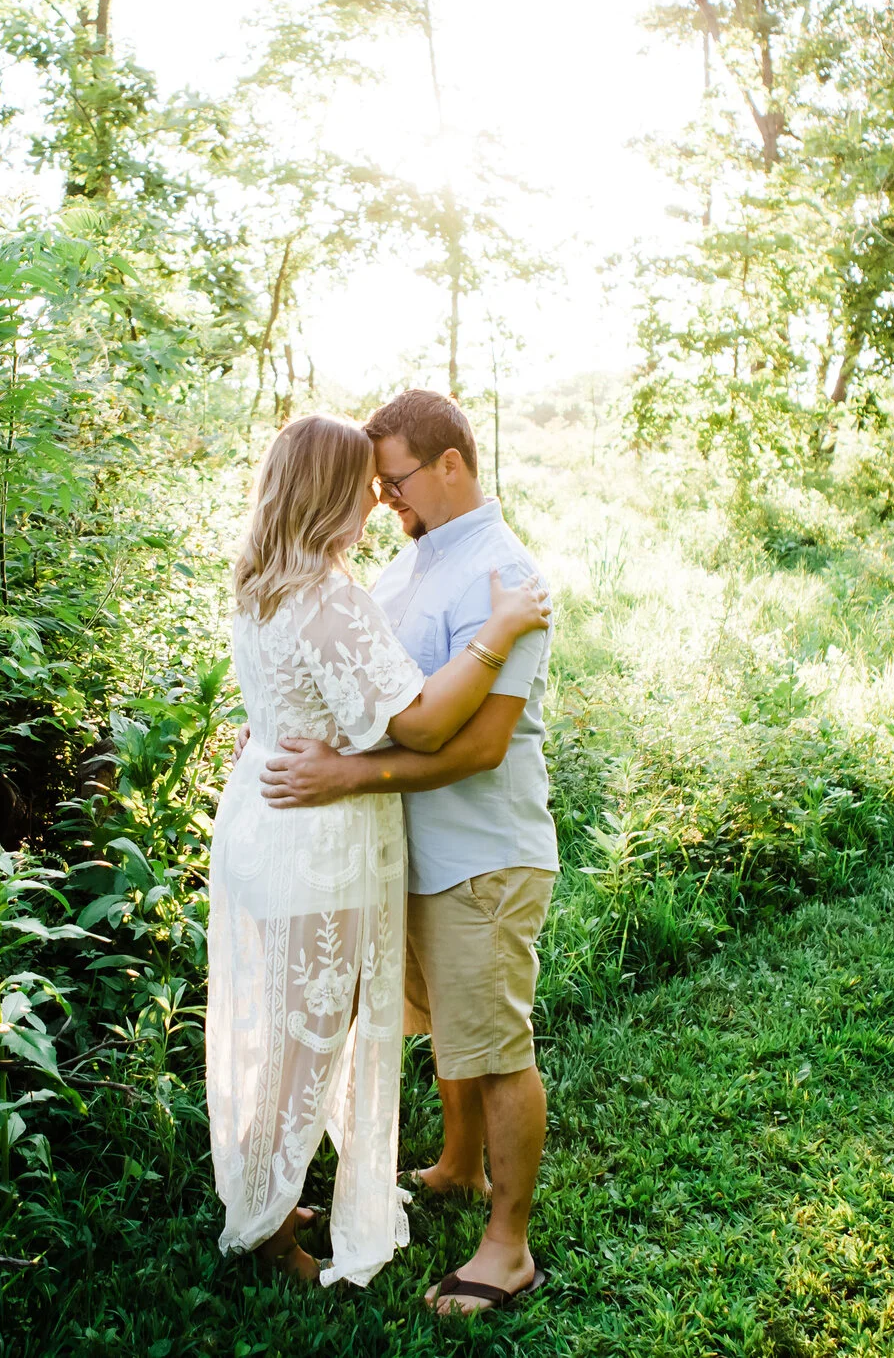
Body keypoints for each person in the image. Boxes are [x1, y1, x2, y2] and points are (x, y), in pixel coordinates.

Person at [207, 413, 551, 1289]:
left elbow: (468, 743)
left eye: (391, 479)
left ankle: (500, 1240)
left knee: (468, 1041)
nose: (380, 497)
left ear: (447, 464)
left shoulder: (272, 584)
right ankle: (274, 1213)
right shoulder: (359, 580)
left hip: (395, 842)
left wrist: (335, 765)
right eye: (368, 484)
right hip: (320, 842)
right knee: (315, 1041)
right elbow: (398, 710)